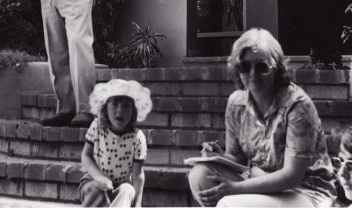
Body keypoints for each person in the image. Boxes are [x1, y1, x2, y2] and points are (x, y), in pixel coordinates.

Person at [187, 28, 337, 207]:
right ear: (237, 69)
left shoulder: (297, 106)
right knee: (200, 175)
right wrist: (218, 156)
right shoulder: (237, 104)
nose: (253, 73)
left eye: (262, 66)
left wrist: (235, 188)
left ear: (277, 69)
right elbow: (238, 158)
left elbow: (292, 177)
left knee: (229, 203)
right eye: (245, 66)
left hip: (305, 192)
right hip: (261, 181)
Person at [79, 79, 152, 207]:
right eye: (114, 104)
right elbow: (86, 156)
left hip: (121, 184)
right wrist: (99, 177)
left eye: (126, 106)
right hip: (94, 180)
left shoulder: (137, 137)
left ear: (134, 110)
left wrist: (138, 203)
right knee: (95, 190)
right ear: (105, 108)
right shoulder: (97, 127)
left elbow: (138, 174)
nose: (120, 111)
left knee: (128, 190)